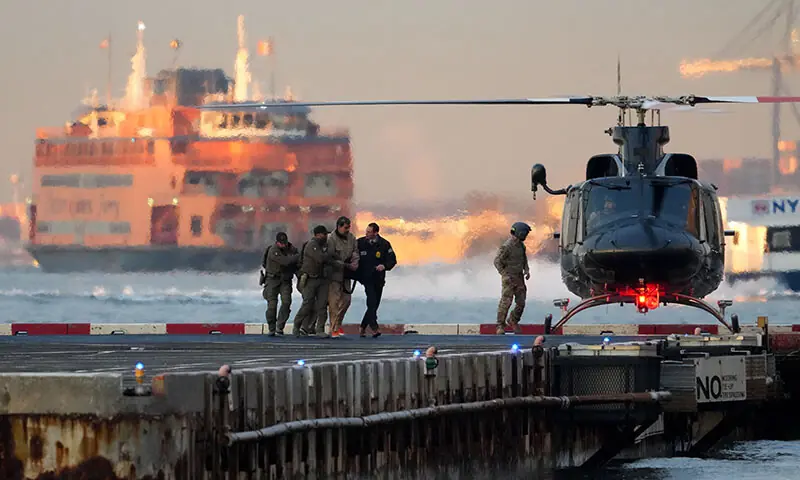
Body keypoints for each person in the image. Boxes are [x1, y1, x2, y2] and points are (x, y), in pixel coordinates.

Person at [292, 225, 340, 337]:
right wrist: (330, 254)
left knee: (322, 305)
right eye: (324, 234)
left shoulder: (325, 246)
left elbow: (331, 258)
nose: (326, 236)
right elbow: (320, 259)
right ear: (318, 234)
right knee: (307, 304)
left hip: (322, 279)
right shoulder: (311, 245)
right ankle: (297, 325)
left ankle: (320, 329)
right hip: (310, 279)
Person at [356, 222, 397, 338]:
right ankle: (374, 327)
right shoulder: (360, 243)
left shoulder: (384, 244)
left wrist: (384, 266)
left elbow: (392, 260)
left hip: (378, 279)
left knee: (374, 305)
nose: (366, 234)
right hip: (366, 278)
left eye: (369, 232)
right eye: (366, 231)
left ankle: (363, 326)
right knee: (372, 301)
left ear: (376, 233)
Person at [493, 222, 531, 335]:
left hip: (519, 277)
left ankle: (513, 320)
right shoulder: (507, 246)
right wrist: (504, 274)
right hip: (509, 278)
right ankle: (500, 325)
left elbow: (524, 259)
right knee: (506, 302)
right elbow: (497, 261)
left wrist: (527, 270)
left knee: (521, 302)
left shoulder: (521, 246)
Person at [259, 232, 299, 336]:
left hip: (285, 280)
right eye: (281, 243)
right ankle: (271, 328)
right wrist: (297, 256)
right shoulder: (273, 250)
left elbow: (296, 265)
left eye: (284, 243)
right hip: (272, 280)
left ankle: (280, 327)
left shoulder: (292, 249)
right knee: (272, 306)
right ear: (277, 242)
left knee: (286, 303)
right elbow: (285, 261)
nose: (283, 245)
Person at [326, 216, 359, 337]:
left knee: (346, 301)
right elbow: (329, 257)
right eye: (345, 227)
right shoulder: (330, 239)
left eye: (349, 227)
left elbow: (355, 252)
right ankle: (333, 328)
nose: (347, 230)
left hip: (346, 275)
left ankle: (338, 324)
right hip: (334, 275)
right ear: (339, 227)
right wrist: (342, 264)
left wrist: (354, 263)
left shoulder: (351, 238)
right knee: (334, 303)